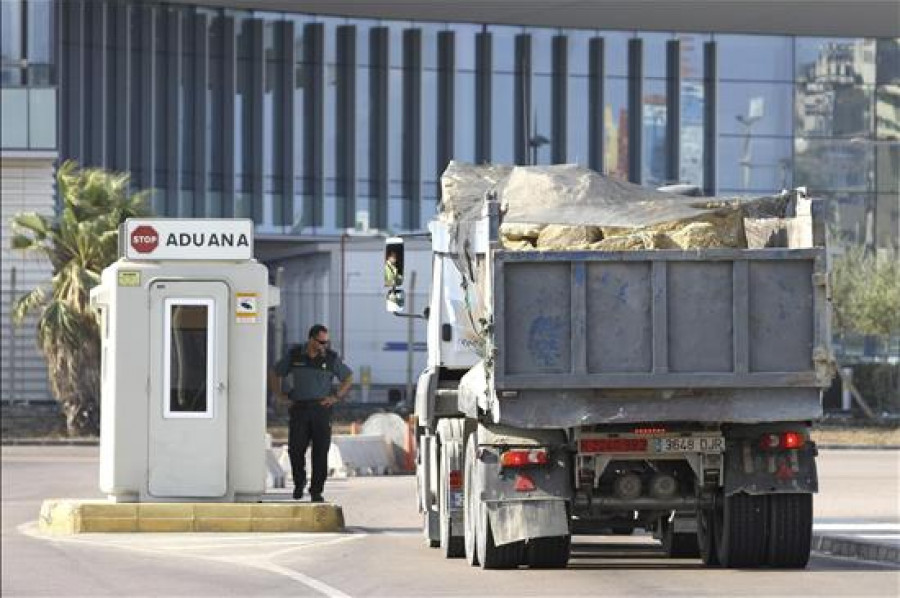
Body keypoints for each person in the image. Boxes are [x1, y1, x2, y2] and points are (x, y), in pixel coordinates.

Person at [269, 324, 353, 502]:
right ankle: (299, 483)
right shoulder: (295, 355)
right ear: (311, 339)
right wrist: (279, 395)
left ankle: (316, 490)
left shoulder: (331, 358)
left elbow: (348, 377)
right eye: (321, 342)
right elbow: (275, 372)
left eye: (326, 342)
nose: (324, 345)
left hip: (321, 410)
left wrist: (336, 397)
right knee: (296, 450)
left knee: (320, 451)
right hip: (299, 408)